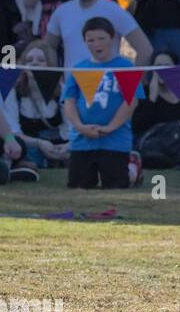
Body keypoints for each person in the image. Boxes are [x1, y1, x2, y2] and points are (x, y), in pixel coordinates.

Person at [60, 16, 143, 190]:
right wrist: (80, 126)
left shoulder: (126, 67)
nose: (96, 44)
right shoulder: (79, 67)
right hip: (82, 141)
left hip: (115, 141)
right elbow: (69, 101)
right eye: (90, 40)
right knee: (78, 186)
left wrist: (111, 127)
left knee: (116, 186)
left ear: (112, 38)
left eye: (101, 39)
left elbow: (131, 102)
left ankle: (133, 170)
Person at [45, 0, 152, 70]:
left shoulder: (114, 11)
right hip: (72, 85)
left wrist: (135, 83)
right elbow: (48, 46)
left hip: (106, 85)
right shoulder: (62, 12)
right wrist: (55, 77)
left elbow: (145, 49)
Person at [0, 40, 69, 177]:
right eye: (29, 60)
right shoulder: (12, 91)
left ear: (50, 65)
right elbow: (12, 131)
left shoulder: (62, 90)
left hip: (58, 143)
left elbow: (71, 127)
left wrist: (67, 147)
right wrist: (39, 143)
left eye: (41, 60)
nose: (34, 63)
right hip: (27, 144)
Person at [131, 48, 180, 168]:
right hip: (156, 143)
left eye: (167, 66)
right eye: (158, 66)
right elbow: (138, 127)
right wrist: (152, 98)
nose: (163, 70)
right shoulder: (146, 92)